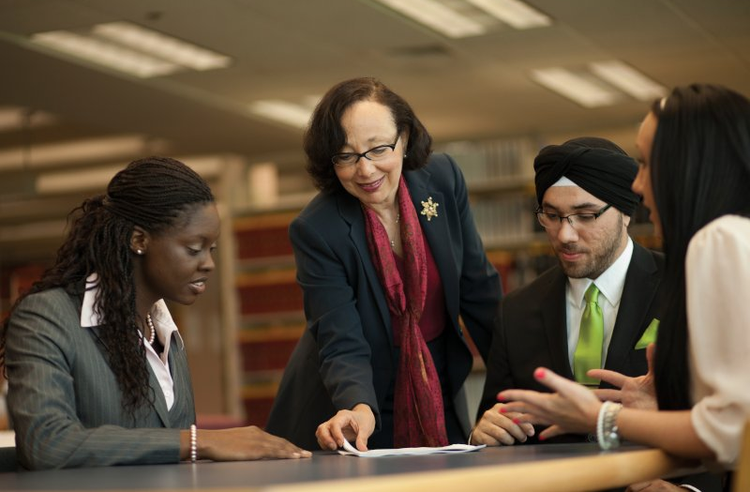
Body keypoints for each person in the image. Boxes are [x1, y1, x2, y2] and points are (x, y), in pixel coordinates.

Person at [498, 84, 750, 490]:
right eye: (551, 216)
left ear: (686, 166)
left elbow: (729, 431)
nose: (637, 185)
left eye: (647, 163)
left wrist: (599, 418)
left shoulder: (718, 240)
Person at [0, 156, 310, 470]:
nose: (208, 263)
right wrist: (199, 441)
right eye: (193, 248)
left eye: (211, 249)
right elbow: (47, 443)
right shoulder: (46, 317)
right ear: (139, 240)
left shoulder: (163, 330)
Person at [265, 77, 502, 451]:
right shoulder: (317, 228)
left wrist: (520, 382)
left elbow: (479, 291)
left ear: (404, 138)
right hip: (353, 396)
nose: (366, 170)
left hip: (434, 377)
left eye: (378, 149)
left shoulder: (442, 179)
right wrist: (358, 407)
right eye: (346, 156)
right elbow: (340, 338)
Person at [472, 137, 664, 447]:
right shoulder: (516, 311)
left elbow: (726, 417)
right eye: (552, 216)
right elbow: (495, 420)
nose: (565, 235)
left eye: (585, 216)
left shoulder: (684, 287)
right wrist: (482, 433)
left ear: (626, 212)